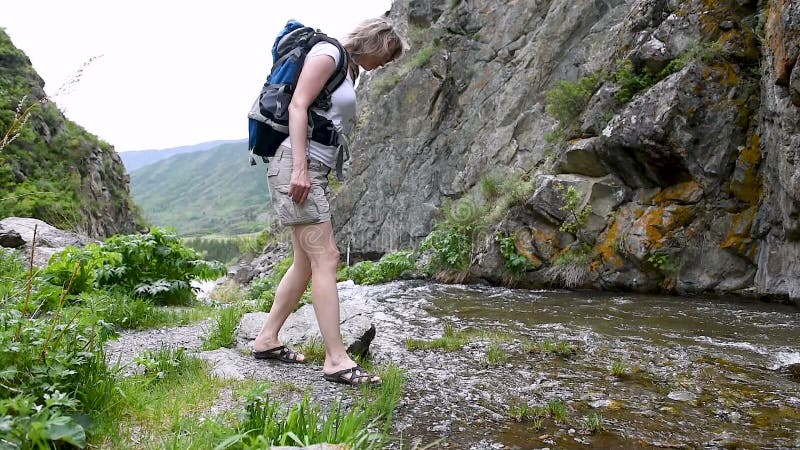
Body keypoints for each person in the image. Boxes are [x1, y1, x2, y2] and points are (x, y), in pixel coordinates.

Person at [252, 17, 405, 386]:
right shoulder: (327, 53)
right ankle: (336, 359)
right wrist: (300, 171)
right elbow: (298, 106)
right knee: (328, 258)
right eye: (387, 54)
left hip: (310, 169)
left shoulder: (347, 70)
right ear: (375, 42)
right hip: (296, 166)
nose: (386, 63)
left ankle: (267, 339)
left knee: (305, 262)